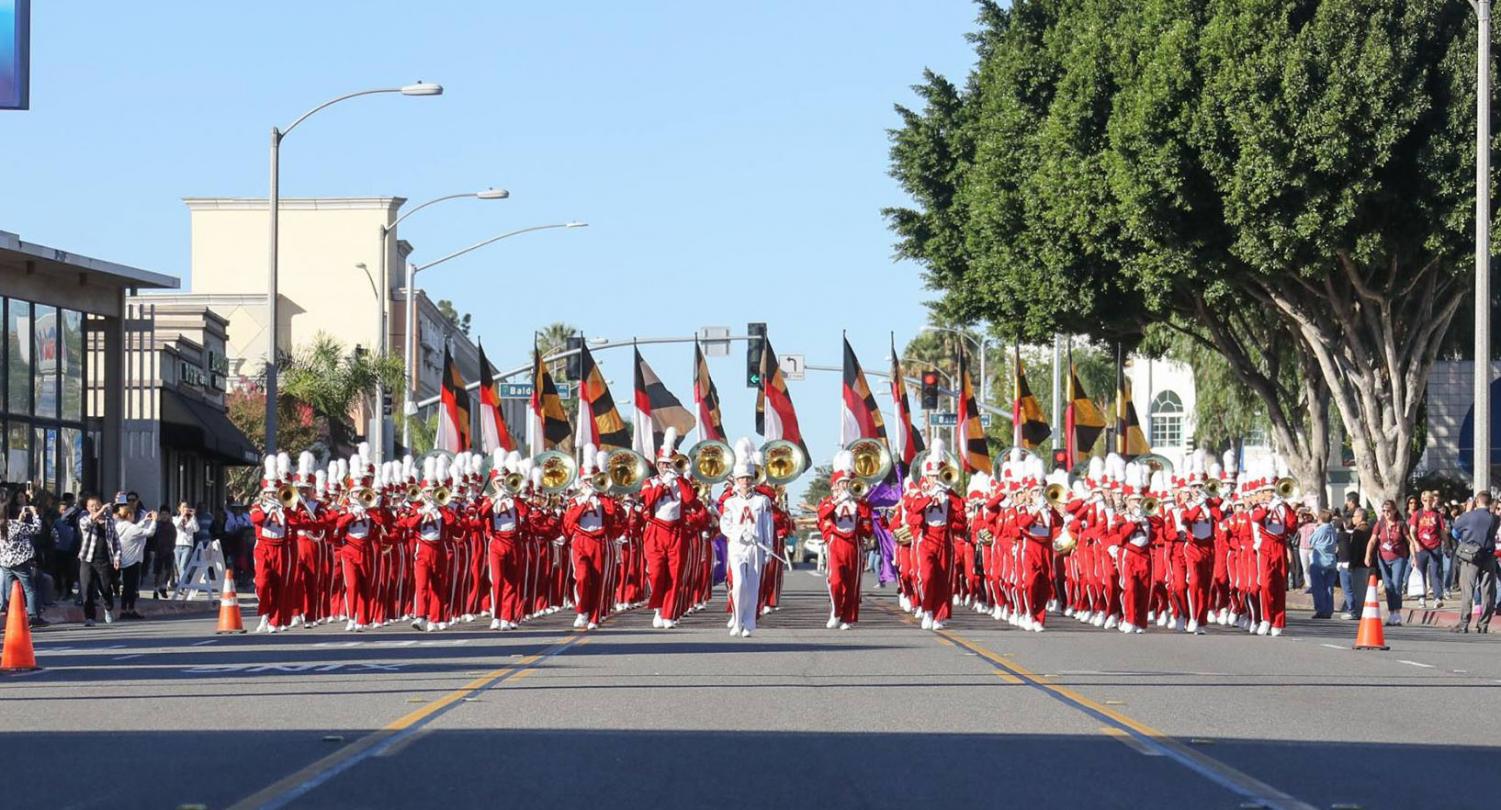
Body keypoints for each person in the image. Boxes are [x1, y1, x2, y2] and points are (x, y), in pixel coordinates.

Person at [719, 440, 773, 638]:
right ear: (736, 480)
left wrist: (768, 547)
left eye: (748, 479)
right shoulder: (730, 503)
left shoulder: (762, 501)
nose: (745, 482)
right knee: (739, 583)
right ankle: (737, 618)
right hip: (737, 546)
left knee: (753, 585)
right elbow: (724, 525)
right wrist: (738, 533)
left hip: (756, 547)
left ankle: (749, 621)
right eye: (742, 479)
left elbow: (768, 526)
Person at [816, 450, 872, 630]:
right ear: (836, 485)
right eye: (842, 483)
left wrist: (860, 505)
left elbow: (868, 529)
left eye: (848, 483)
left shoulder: (860, 503)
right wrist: (838, 501)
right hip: (836, 544)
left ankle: (848, 617)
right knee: (836, 581)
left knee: (852, 583)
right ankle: (836, 610)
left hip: (853, 544)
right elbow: (822, 515)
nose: (845, 486)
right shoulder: (828, 501)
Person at [1450, 492, 1498, 634]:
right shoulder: (1494, 519)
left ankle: (1464, 623)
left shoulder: (1468, 516)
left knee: (1467, 590)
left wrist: (1467, 511)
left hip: (1470, 556)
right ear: (1489, 502)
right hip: (1488, 556)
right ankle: (1483, 624)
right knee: (1487, 591)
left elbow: (1455, 532)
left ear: (1477, 501)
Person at [0, 491, 48, 628]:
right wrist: (35, 514)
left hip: (5, 561)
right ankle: (33, 616)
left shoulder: (5, 525)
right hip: (20, 561)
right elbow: (36, 529)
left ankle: (12, 614)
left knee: (10, 589)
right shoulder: (15, 525)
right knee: (29, 589)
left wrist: (20, 518)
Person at [76, 493, 122, 626]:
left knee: (106, 588)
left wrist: (117, 557)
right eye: (91, 506)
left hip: (104, 560)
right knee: (87, 588)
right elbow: (88, 523)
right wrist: (101, 511)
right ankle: (89, 617)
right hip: (87, 559)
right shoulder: (84, 519)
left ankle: (108, 608)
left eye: (97, 505)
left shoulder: (109, 521)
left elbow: (115, 541)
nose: (95, 508)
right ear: (87, 507)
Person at [112, 494, 158, 620]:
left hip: (123, 559)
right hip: (133, 560)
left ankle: (123, 609)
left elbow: (136, 528)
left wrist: (145, 520)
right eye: (132, 514)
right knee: (131, 588)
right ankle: (130, 609)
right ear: (128, 515)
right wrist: (153, 520)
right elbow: (150, 533)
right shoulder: (131, 528)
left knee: (126, 587)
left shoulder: (119, 526)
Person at [1365, 500, 1411, 626]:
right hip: (1383, 558)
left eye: (1389, 510)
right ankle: (1391, 613)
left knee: (1396, 584)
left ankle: (1397, 613)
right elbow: (1373, 540)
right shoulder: (1380, 524)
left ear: (1395, 510)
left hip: (1399, 557)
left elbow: (1409, 541)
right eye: (1384, 511)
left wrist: (1414, 557)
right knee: (1388, 586)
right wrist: (1368, 555)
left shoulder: (1401, 524)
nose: (1386, 513)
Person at [1408, 490, 1447, 608]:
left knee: (1435, 572)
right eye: (1425, 500)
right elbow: (1412, 531)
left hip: (1435, 546)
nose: (1428, 502)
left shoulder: (1437, 515)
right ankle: (1421, 597)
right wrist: (1416, 543)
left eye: (1430, 500)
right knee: (1421, 572)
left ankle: (1437, 597)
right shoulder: (1417, 514)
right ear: (1422, 501)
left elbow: (1442, 531)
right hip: (1422, 547)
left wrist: (1447, 544)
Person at [1337, 508, 1371, 619]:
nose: (1353, 519)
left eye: (1354, 516)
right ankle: (1358, 611)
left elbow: (1356, 549)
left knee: (1358, 590)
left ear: (1360, 517)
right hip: (1367, 563)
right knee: (1362, 589)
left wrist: (1352, 563)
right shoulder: (1369, 529)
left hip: (1359, 564)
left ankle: (1356, 612)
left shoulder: (1359, 531)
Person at [1306, 510, 1338, 619]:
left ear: (1320, 518)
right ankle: (1329, 609)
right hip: (1331, 561)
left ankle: (1321, 609)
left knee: (1318, 587)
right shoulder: (1333, 529)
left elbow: (1311, 541)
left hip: (1319, 561)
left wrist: (1315, 530)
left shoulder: (1321, 529)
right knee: (1329, 587)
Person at [50, 494, 80, 604]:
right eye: (62, 510)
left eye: (66, 510)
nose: (64, 512)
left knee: (70, 573)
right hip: (59, 550)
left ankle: (68, 592)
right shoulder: (57, 522)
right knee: (59, 572)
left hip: (71, 550)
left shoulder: (74, 522)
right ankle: (59, 591)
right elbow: (52, 534)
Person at [171, 502, 197, 590]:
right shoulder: (175, 518)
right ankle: (184, 584)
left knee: (183, 566)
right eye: (183, 507)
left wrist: (192, 517)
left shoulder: (191, 519)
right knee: (179, 567)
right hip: (177, 545)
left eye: (186, 506)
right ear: (179, 508)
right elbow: (175, 526)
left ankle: (184, 585)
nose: (185, 508)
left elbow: (197, 529)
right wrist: (182, 516)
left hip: (188, 545)